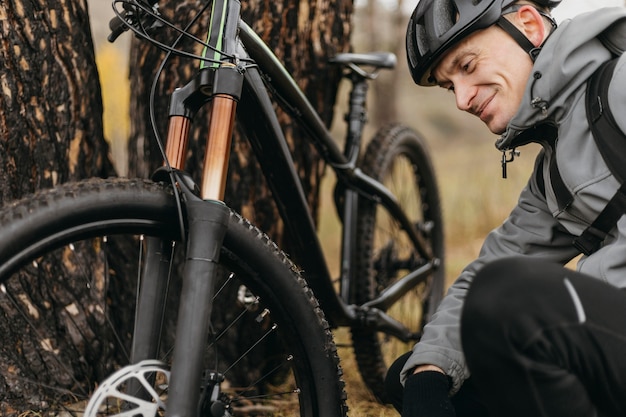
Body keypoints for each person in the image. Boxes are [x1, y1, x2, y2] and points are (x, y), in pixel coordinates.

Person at [385, 0, 626, 416]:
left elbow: (504, 292)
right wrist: (429, 371)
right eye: (449, 86)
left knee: (509, 298)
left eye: (466, 65)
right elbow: (491, 268)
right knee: (415, 377)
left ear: (529, 25)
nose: (461, 99)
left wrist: (570, 311)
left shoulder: (621, 84)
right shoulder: (553, 172)